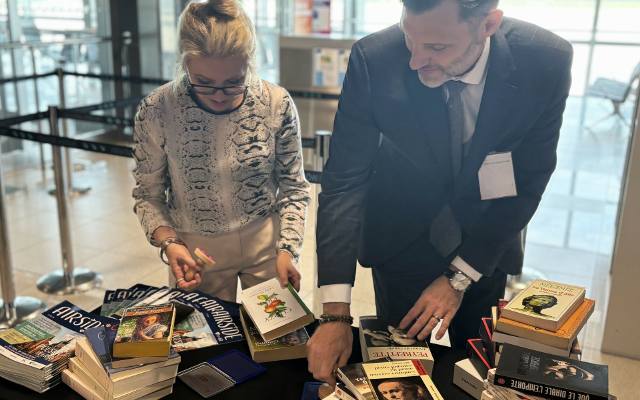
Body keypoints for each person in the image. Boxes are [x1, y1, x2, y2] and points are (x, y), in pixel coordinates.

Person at [307, 0, 573, 383]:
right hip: (401, 236)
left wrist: (459, 278)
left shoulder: (544, 61)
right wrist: (335, 314)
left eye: (436, 48)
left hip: (485, 240)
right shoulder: (375, 58)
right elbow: (345, 182)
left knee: (476, 372)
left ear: (488, 25)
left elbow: (528, 178)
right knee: (398, 373)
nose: (415, 61)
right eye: (409, 38)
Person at [132, 0, 310, 301]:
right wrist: (170, 244)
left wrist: (287, 249)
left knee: (278, 341)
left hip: (267, 246)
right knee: (205, 345)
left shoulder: (276, 102)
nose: (218, 96)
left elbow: (294, 188)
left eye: (234, 82)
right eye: (203, 82)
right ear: (185, 63)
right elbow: (147, 195)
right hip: (194, 252)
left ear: (249, 64)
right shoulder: (158, 109)